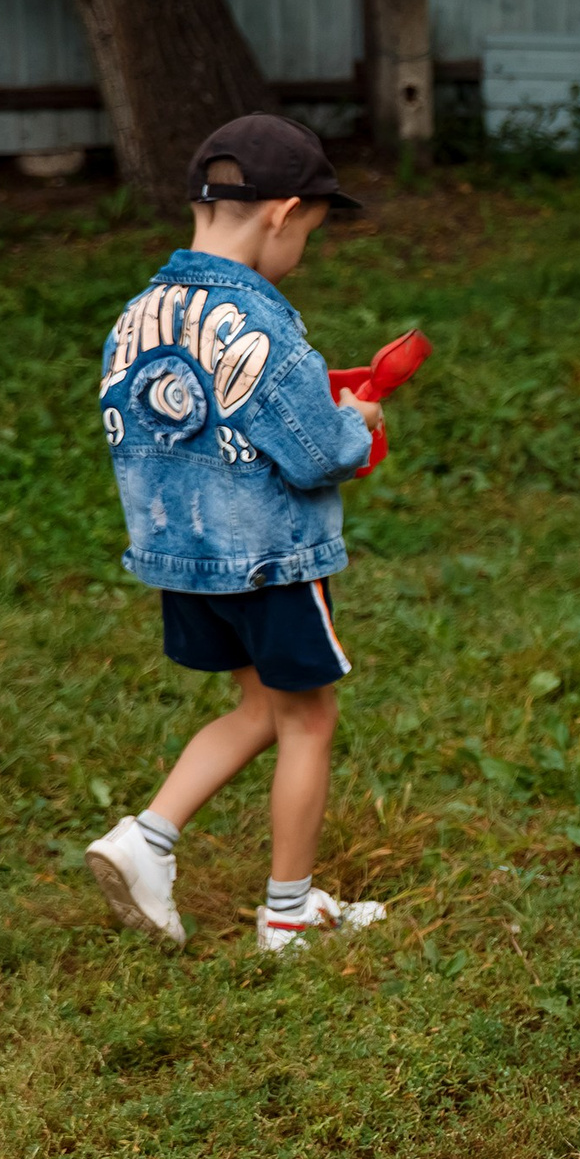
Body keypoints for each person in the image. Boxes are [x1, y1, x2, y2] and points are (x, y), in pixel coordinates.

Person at [85, 115, 391, 956]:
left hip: (183, 560)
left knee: (259, 705)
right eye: (311, 234)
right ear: (284, 213)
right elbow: (318, 455)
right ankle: (287, 914)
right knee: (308, 718)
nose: (303, 252)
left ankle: (146, 840)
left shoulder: (134, 317)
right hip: (271, 562)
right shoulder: (259, 326)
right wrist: (356, 420)